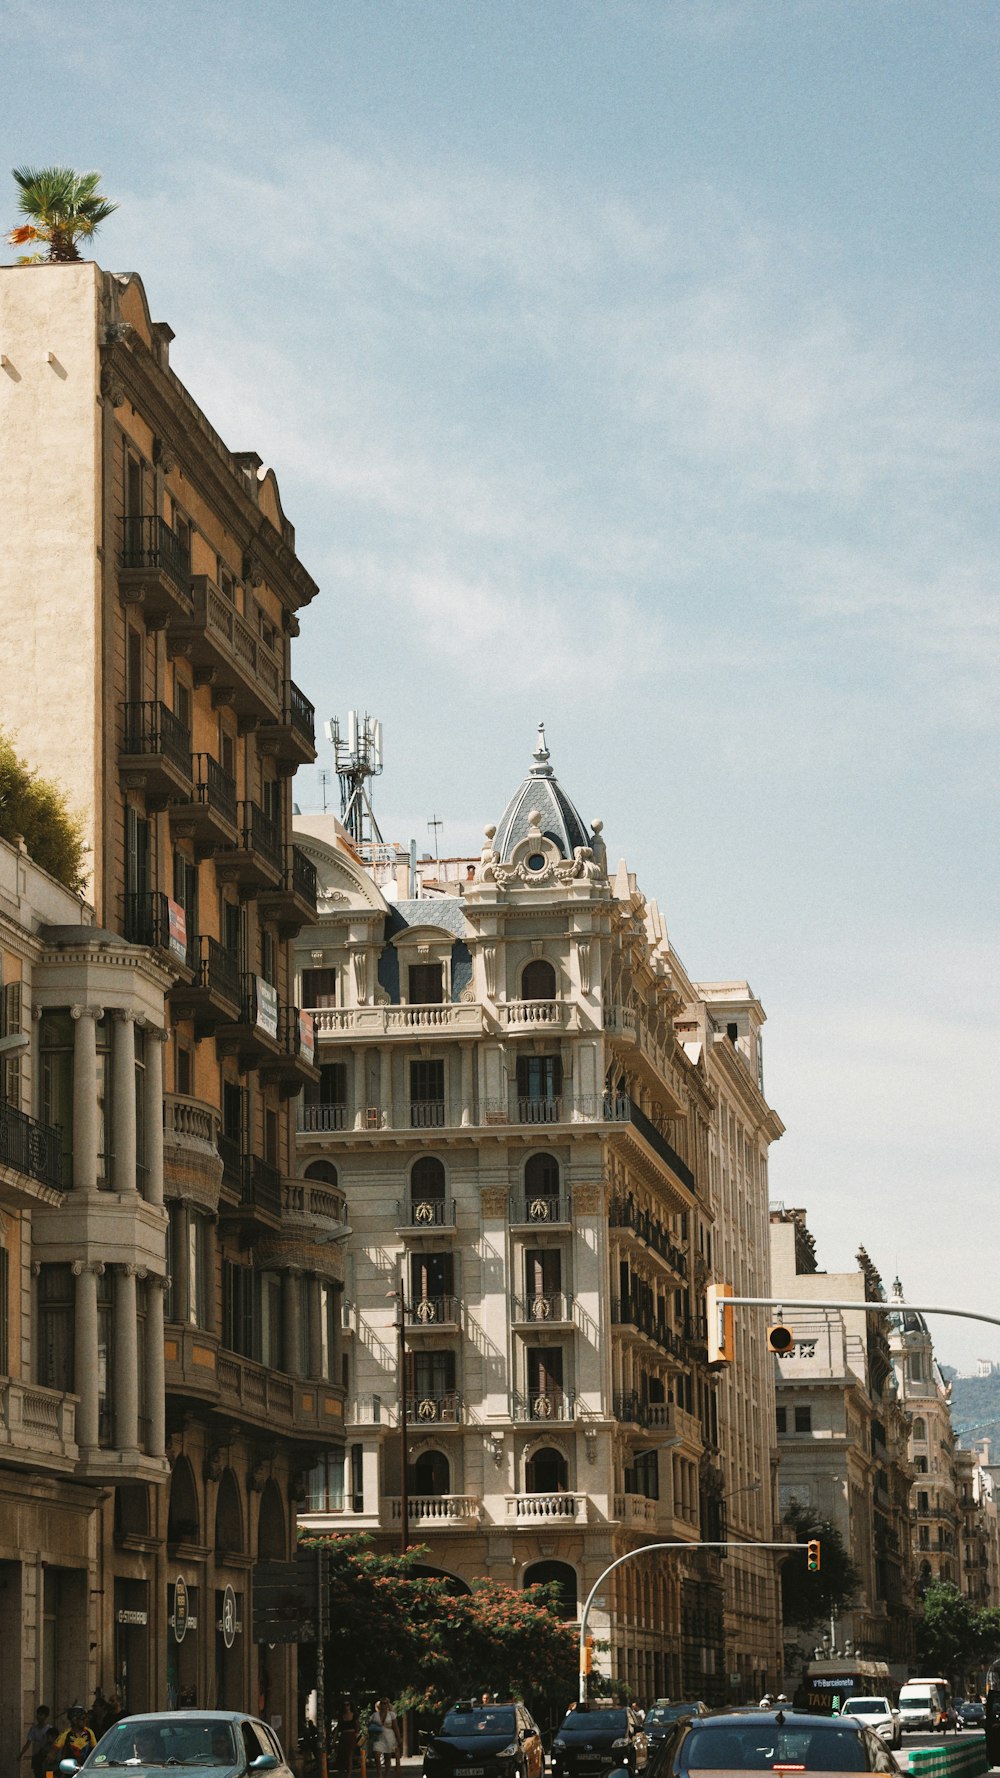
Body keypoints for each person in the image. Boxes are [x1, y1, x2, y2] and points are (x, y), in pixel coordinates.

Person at [20, 1706, 53, 1778]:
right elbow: (28, 1744)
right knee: (38, 1775)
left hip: (48, 1758)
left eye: (41, 1715)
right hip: (37, 1758)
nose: (38, 1717)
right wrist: (21, 1754)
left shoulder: (50, 1729)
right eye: (38, 1714)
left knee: (49, 1775)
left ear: (46, 1716)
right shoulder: (34, 1729)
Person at [370, 1700, 399, 1778]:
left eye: (385, 1703)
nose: (383, 1705)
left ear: (388, 1705)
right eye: (382, 1703)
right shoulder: (374, 1715)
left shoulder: (392, 1714)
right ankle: (379, 1775)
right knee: (377, 1755)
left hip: (389, 1736)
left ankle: (387, 1775)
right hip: (378, 1737)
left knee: (387, 1756)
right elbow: (370, 1726)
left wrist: (398, 1738)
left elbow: (395, 1727)